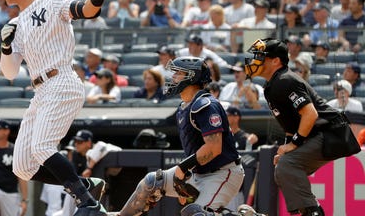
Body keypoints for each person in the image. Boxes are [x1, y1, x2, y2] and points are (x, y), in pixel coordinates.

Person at [0, 0, 119, 215]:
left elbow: (86, 10)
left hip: (61, 79)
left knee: (42, 147)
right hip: (40, 90)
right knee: (22, 167)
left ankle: (87, 202)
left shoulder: (50, 2)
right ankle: (85, 185)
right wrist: (6, 47)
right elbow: (9, 73)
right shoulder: (15, 23)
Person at [113, 56, 244, 216]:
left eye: (178, 73)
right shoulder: (184, 106)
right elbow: (192, 148)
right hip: (197, 173)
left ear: (192, 77)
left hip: (222, 173)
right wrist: (182, 179)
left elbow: (214, 147)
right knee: (152, 182)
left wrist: (182, 168)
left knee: (196, 213)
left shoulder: (206, 105)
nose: (173, 77)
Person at [244, 38, 347, 215]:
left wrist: (294, 144)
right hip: (319, 133)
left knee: (286, 166)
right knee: (283, 169)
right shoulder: (273, 83)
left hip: (331, 133)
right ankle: (311, 210)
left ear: (275, 61)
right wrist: (287, 146)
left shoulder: (284, 80)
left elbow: (310, 114)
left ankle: (312, 212)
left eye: (260, 57)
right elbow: (291, 126)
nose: (254, 61)